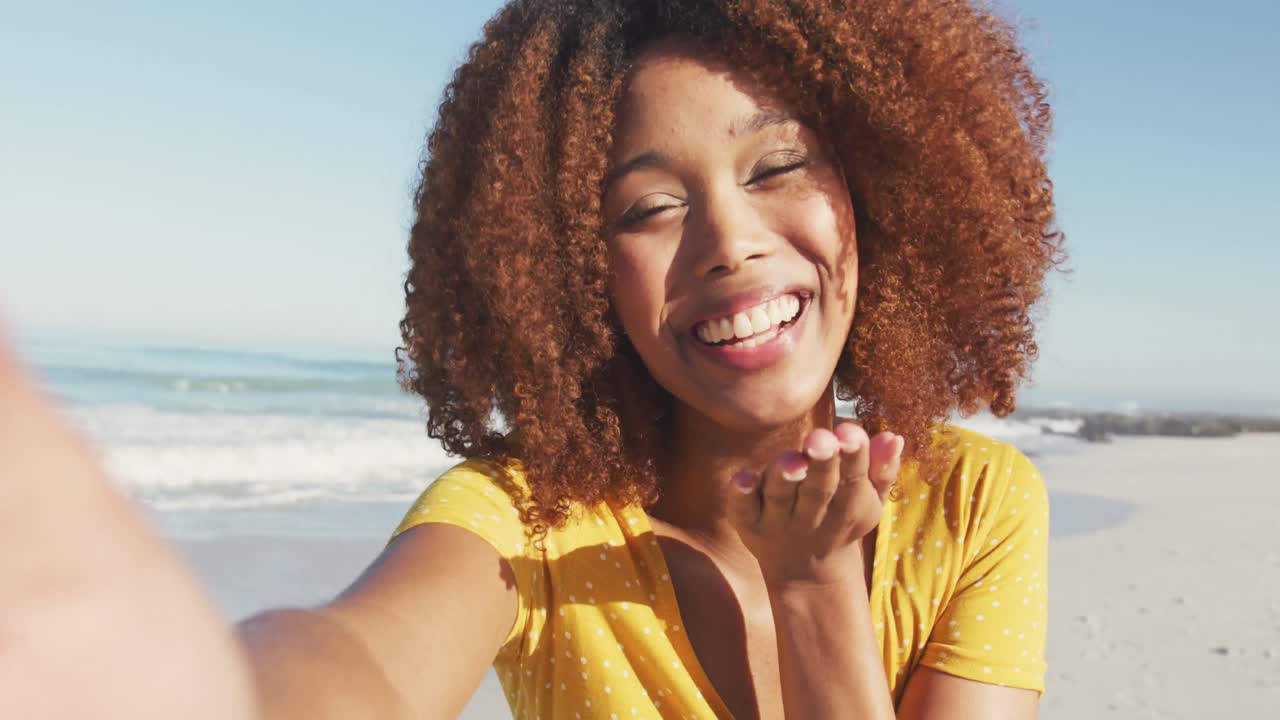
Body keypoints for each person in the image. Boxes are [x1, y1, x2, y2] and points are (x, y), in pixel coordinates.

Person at [0, 0, 1068, 718]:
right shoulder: (527, 522)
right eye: (649, 206)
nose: (729, 241)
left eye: (777, 164)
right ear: (568, 272)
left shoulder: (974, 506)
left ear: (878, 189)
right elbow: (363, 659)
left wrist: (814, 589)